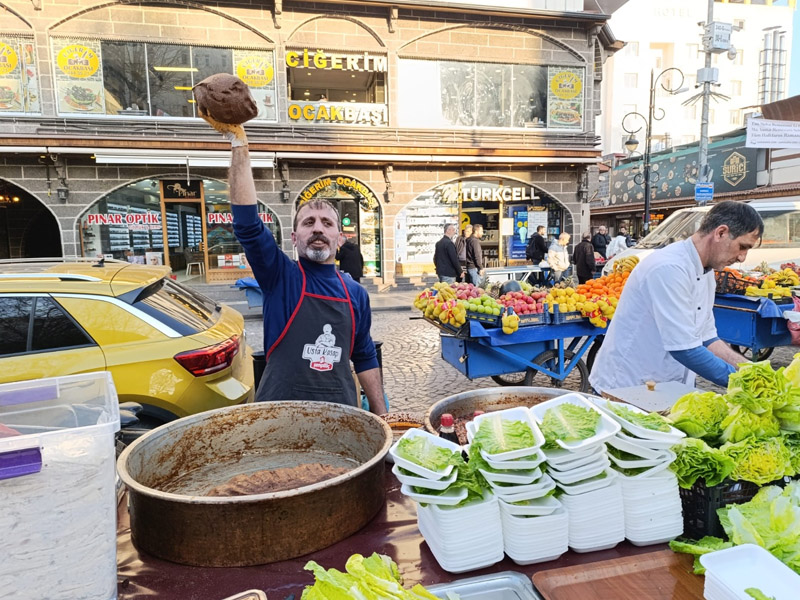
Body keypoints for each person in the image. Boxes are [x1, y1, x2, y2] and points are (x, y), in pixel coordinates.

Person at [200, 112, 386, 414]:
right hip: (279, 416)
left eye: (327, 223)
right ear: (294, 237)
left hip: (342, 415)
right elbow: (247, 224)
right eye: (308, 222)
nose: (317, 228)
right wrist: (239, 144)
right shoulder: (280, 276)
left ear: (339, 239)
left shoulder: (356, 294)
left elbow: (364, 356)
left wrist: (383, 418)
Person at [589, 201, 763, 394]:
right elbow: (684, 349)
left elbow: (707, 338)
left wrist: (752, 370)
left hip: (666, 388)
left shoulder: (706, 272)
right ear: (720, 233)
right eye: (742, 247)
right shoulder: (669, 268)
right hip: (628, 386)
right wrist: (744, 385)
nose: (742, 258)